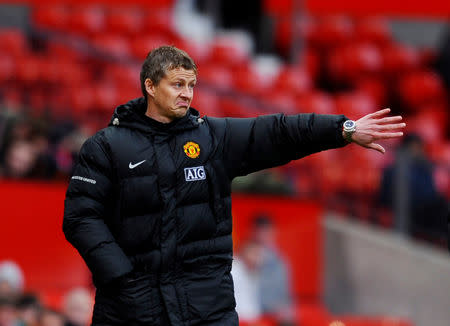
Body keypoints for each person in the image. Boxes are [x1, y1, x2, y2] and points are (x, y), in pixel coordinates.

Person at [63, 45, 406, 326]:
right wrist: (123, 279)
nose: (187, 94)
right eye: (177, 85)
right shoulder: (105, 146)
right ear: (150, 86)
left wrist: (342, 129)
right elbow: (81, 219)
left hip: (207, 310)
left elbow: (277, 132)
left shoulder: (212, 138)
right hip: (131, 311)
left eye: (191, 85)